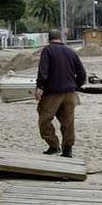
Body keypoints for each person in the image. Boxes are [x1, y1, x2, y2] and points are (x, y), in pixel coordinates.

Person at [35, 29, 86, 158]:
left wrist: (39, 87)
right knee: (68, 121)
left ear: (49, 38)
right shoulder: (71, 52)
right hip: (70, 93)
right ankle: (68, 149)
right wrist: (77, 86)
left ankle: (53, 145)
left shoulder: (48, 51)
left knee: (44, 119)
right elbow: (82, 72)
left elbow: (43, 71)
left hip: (53, 92)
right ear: (61, 38)